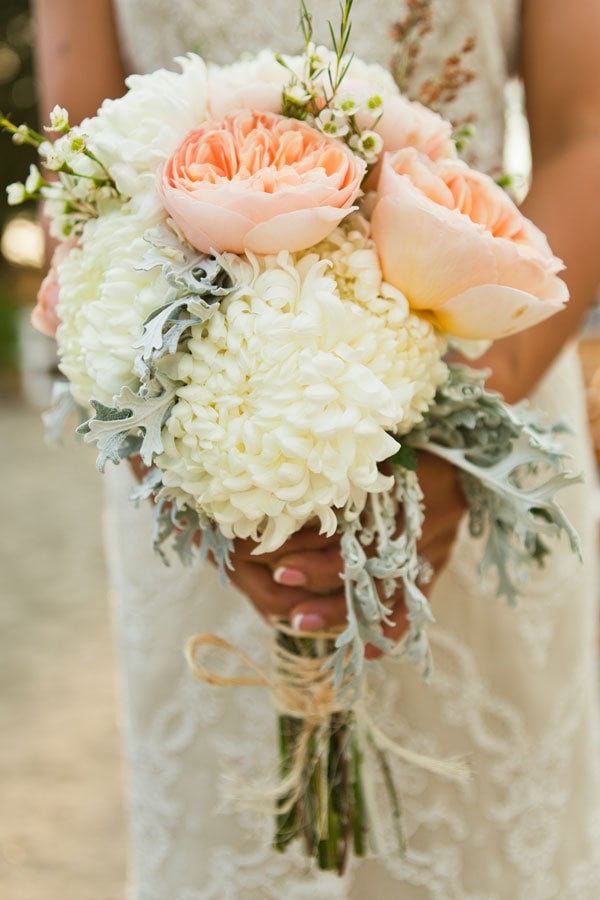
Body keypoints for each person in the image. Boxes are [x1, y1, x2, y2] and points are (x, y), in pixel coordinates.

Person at [33, 1, 600, 897]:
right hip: (197, 442)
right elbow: (80, 173)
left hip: (493, 401)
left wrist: (449, 449)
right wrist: (191, 464)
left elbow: (585, 131)